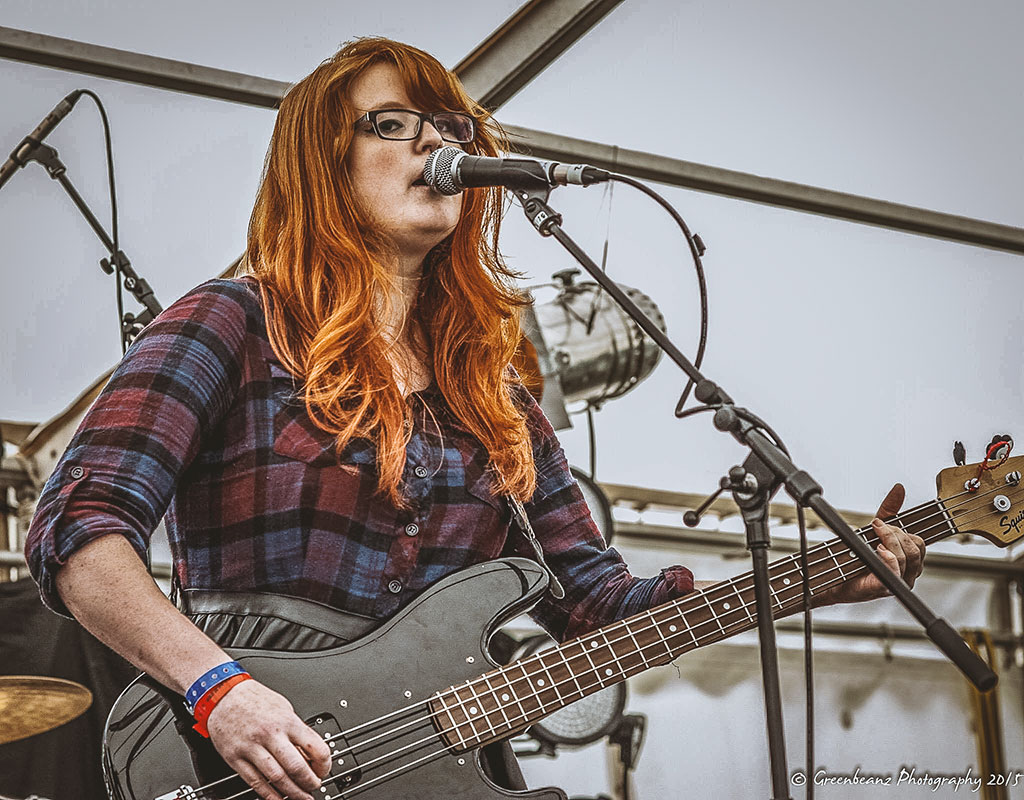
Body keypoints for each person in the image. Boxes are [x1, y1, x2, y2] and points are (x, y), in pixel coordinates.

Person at [24, 38, 925, 800]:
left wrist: (815, 580)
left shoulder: (498, 402)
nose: (438, 143)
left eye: (452, 126)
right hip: (244, 748)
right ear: (320, 163)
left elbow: (599, 606)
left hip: (442, 763)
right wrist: (221, 691)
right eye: (392, 123)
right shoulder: (233, 323)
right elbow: (78, 526)